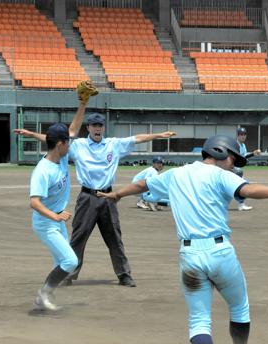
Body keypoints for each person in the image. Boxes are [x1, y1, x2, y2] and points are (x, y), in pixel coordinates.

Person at [98, 135, 268, 344]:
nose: (233, 164)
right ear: (220, 152)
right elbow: (249, 190)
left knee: (199, 319)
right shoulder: (219, 175)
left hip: (189, 256)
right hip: (220, 252)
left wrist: (118, 193)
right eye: (233, 158)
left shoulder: (175, 175)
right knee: (239, 306)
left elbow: (142, 184)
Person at [16, 99, 175, 288]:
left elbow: (137, 138)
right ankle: (68, 273)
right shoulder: (78, 145)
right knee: (78, 236)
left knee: (114, 237)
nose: (97, 129)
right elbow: (53, 140)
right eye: (94, 125)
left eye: (100, 125)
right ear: (88, 128)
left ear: (103, 128)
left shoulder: (113, 145)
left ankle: (124, 274)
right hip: (87, 197)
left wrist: (159, 135)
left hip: (108, 197)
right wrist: (32, 134)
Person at [28, 123, 78, 311]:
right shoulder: (42, 171)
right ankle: (44, 294)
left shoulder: (62, 159)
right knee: (70, 261)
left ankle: (44, 296)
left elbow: (72, 130)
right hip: (45, 224)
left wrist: (82, 104)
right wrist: (55, 216)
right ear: (59, 144)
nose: (70, 146)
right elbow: (34, 202)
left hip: (56, 222)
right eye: (68, 142)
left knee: (63, 265)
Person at [234, 127, 261, 211]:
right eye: (241, 134)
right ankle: (241, 204)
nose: (243, 136)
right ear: (238, 135)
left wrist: (253, 153)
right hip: (232, 169)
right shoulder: (235, 145)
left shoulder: (243, 145)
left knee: (242, 185)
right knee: (244, 185)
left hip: (236, 169)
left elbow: (244, 156)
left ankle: (241, 204)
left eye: (244, 134)